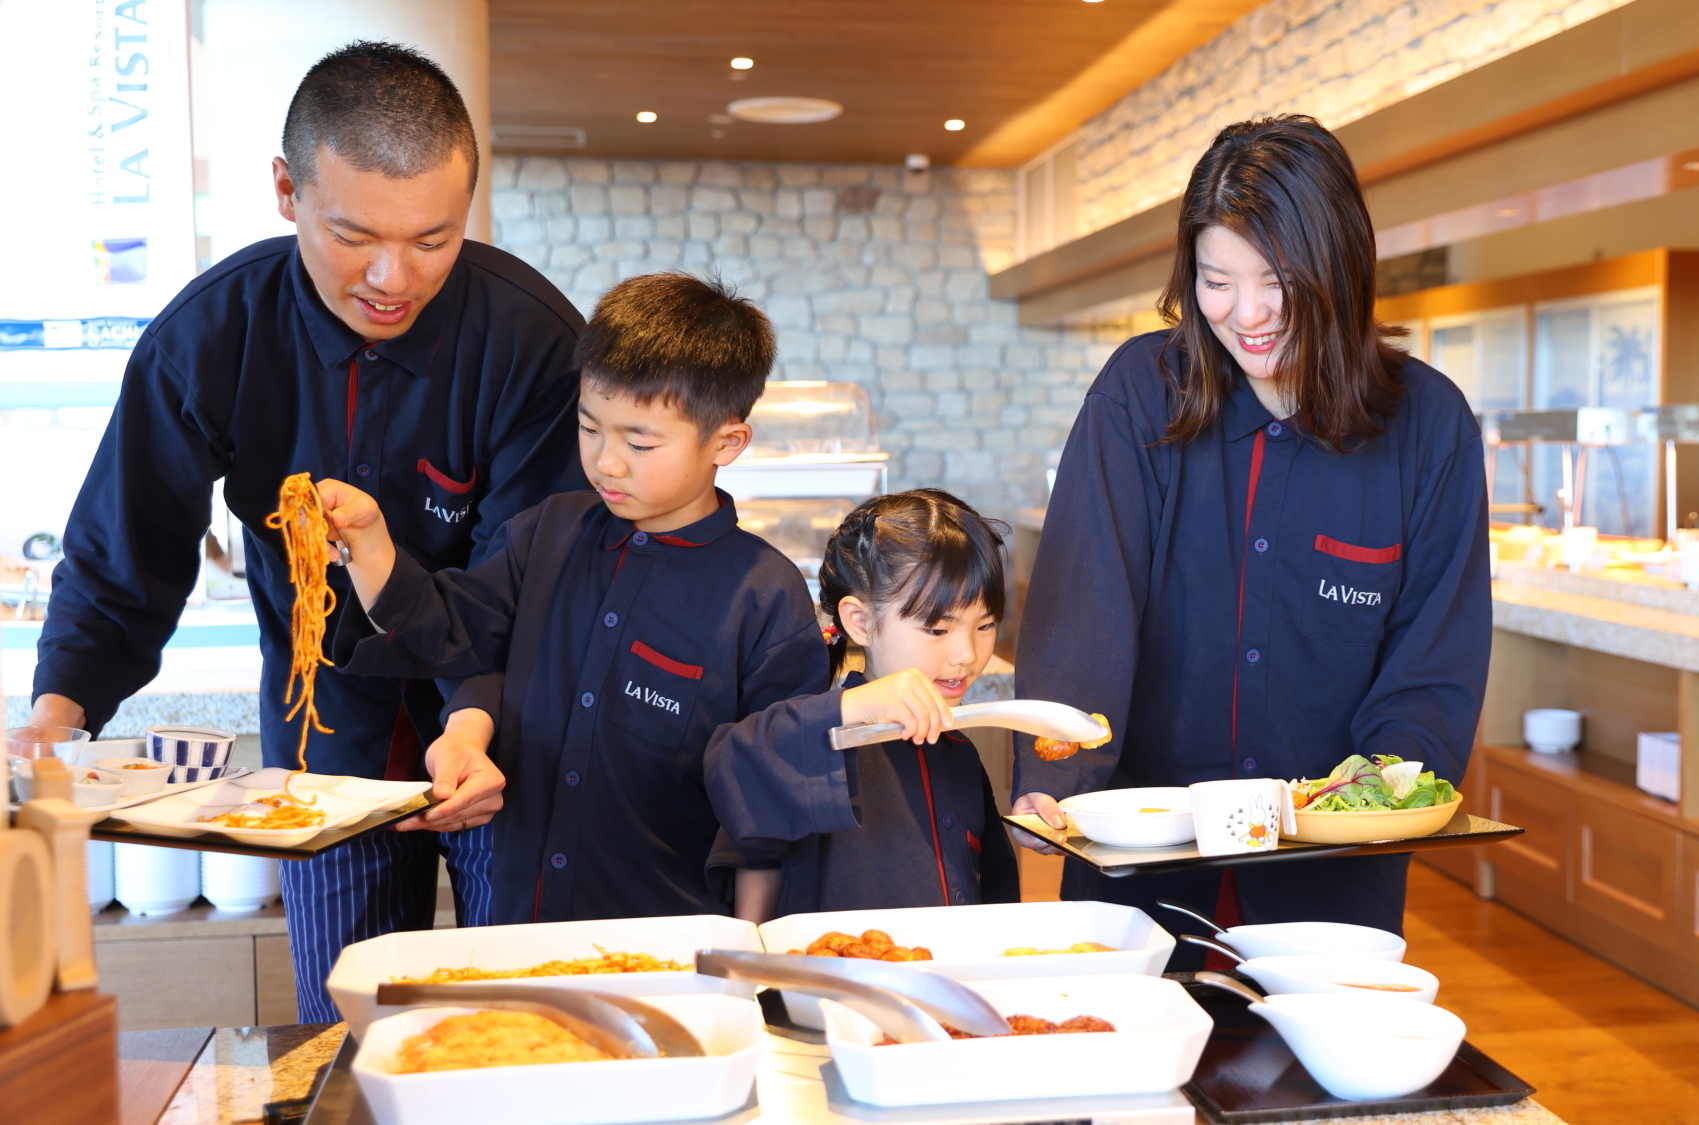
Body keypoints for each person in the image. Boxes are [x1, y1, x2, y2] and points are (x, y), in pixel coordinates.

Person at [32, 42, 587, 1019]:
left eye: (432, 239)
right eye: (353, 234)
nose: (391, 277)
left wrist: (471, 720)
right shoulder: (212, 336)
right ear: (287, 191)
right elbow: (132, 543)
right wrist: (56, 718)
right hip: (325, 720)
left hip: (508, 724)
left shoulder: (528, 340)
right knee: (346, 1024)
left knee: (525, 1013)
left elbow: (527, 572)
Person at [1008, 115, 1491, 969]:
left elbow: (1432, 661)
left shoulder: (1428, 424)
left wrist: (1371, 796)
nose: (1248, 313)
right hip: (1143, 858)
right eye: (1216, 279)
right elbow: (1088, 605)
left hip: (1330, 877)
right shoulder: (1140, 394)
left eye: (1276, 278)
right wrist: (1057, 781)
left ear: (1340, 268)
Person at [317, 272, 828, 924]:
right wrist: (370, 543)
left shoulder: (764, 595)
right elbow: (452, 630)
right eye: (591, 428)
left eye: (639, 442)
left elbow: (776, 800)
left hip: (671, 939)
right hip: (523, 924)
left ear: (726, 442)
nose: (607, 461)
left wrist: (750, 953)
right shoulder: (547, 533)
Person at [703, 490, 1023, 921]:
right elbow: (735, 767)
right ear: (861, 622)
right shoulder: (816, 738)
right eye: (936, 629)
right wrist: (852, 708)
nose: (966, 653)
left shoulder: (960, 753)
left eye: (985, 625)